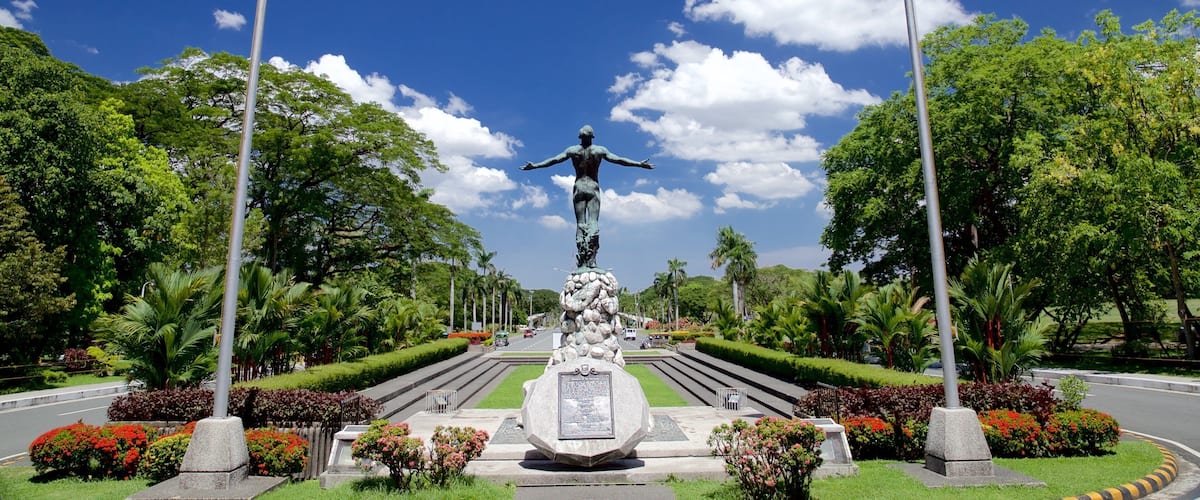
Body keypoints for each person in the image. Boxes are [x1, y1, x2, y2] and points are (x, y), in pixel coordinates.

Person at [521, 125, 653, 270]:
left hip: (579, 188)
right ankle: (591, 260)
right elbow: (619, 160)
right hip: (593, 188)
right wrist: (639, 164)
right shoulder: (599, 151)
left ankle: (583, 259)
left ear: (580, 138)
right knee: (593, 222)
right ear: (592, 137)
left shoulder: (573, 151)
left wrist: (535, 166)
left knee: (580, 223)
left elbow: (554, 160)